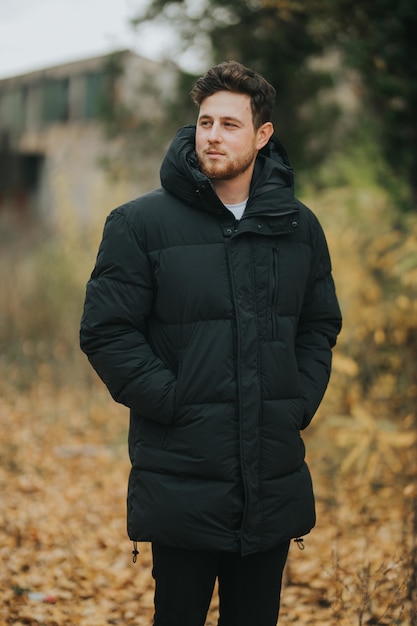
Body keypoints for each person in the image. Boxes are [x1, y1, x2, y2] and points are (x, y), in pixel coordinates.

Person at [80, 60, 342, 626]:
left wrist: (295, 401)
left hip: (270, 477)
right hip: (181, 476)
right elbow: (106, 330)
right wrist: (174, 401)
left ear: (263, 134)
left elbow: (319, 325)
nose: (213, 136)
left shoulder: (299, 227)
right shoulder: (139, 224)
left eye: (230, 124)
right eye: (205, 123)